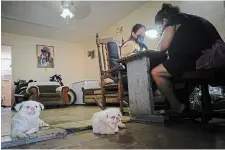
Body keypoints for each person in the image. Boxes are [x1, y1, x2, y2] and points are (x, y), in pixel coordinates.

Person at [151, 3, 223, 113]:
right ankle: (186, 105)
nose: (161, 30)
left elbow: (162, 47)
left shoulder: (172, 20)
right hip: (218, 55)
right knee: (174, 69)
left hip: (202, 58)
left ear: (164, 21)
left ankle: (177, 107)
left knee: (156, 72)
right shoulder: (190, 19)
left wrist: (163, 34)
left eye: (159, 27)